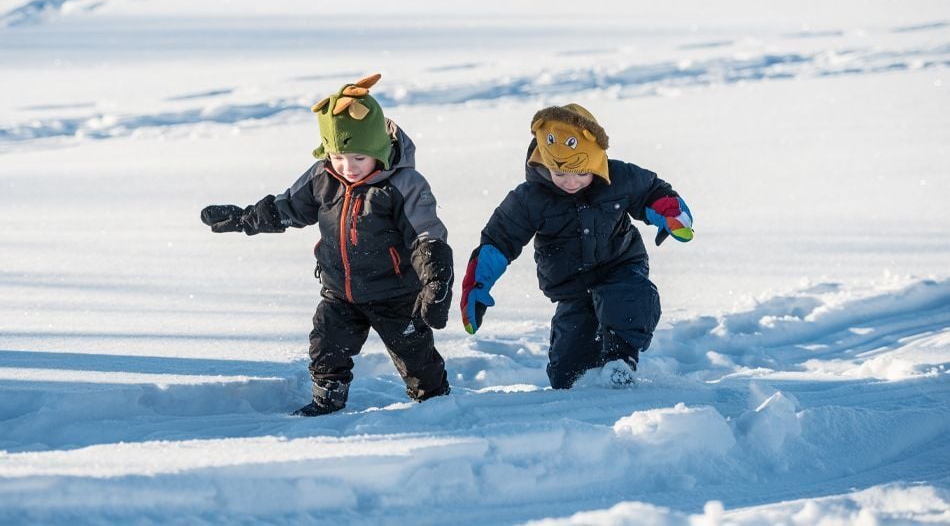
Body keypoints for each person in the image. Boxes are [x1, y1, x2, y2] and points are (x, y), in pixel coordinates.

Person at [201, 74, 453, 416]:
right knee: (325, 347)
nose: (348, 168)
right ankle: (328, 399)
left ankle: (436, 403)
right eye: (339, 157)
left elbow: (426, 235)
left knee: (416, 356)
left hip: (395, 294)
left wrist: (436, 281)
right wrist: (245, 218)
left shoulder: (403, 185)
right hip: (340, 292)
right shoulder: (322, 177)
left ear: (378, 149)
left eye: (359, 159)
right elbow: (287, 208)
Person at [459, 103, 693, 389]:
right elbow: (499, 239)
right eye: (561, 175)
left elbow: (652, 191)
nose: (571, 183)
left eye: (581, 173)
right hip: (571, 286)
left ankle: (621, 363)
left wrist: (671, 214)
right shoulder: (530, 199)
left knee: (628, 298)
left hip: (619, 265)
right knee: (568, 370)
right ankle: (578, 386)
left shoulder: (618, 178)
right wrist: (478, 285)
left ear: (595, 162)